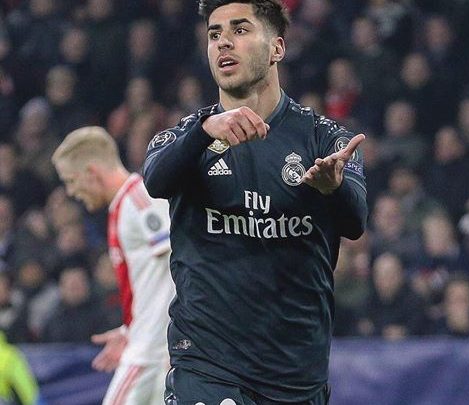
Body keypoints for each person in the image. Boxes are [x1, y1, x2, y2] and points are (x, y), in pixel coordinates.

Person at [142, 1, 368, 403]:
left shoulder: (324, 139)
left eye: (240, 30)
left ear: (277, 48)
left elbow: (355, 222)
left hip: (297, 374)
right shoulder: (189, 137)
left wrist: (333, 187)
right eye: (214, 34)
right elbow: (156, 181)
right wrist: (204, 132)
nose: (223, 42)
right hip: (208, 367)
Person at [51, 126, 175, 404]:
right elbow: (150, 280)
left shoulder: (139, 199)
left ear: (92, 172)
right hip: (149, 344)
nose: (71, 191)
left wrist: (173, 340)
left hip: (151, 352)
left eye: (71, 180)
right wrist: (129, 329)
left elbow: (178, 262)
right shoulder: (122, 205)